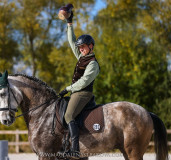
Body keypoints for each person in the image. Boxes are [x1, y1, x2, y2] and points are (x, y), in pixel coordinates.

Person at [59, 11, 100, 159]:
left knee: (68, 115)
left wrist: (67, 89)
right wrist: (69, 23)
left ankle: (75, 150)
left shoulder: (93, 64)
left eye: (83, 47)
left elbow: (83, 82)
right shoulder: (82, 58)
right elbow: (71, 42)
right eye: (80, 47)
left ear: (91, 46)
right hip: (76, 93)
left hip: (83, 93)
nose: (81, 49)